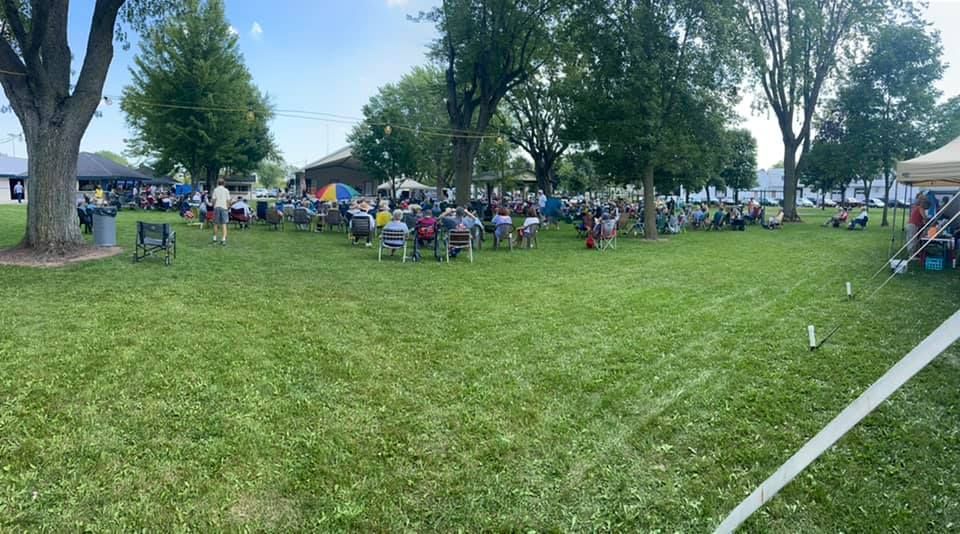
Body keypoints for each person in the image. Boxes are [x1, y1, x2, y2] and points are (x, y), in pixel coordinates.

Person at [211, 178, 231, 245]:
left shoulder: (215, 190)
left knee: (215, 224)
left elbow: (213, 200)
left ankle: (214, 238)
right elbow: (228, 200)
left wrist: (214, 206)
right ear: (224, 183)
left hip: (217, 207)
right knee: (224, 224)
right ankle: (223, 239)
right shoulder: (226, 190)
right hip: (224, 207)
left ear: (218, 183)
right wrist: (227, 207)